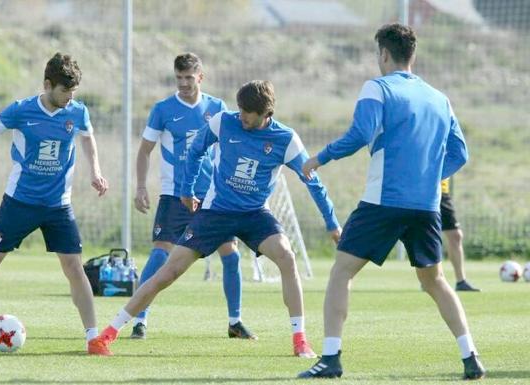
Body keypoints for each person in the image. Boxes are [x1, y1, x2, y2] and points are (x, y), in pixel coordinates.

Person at [94, 80, 341, 358]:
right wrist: (187, 190)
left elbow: (313, 182)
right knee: (168, 273)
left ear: (266, 113)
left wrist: (331, 223)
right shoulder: (224, 121)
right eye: (241, 110)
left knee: (286, 256)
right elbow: (195, 150)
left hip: (255, 214)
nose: (242, 117)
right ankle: (108, 334)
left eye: (248, 113)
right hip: (216, 212)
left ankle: (300, 341)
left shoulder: (286, 139)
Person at [298, 24, 485, 380]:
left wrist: (320, 157)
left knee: (341, 272)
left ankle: (330, 359)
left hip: (383, 202)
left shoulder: (378, 87)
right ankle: (471, 357)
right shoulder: (440, 98)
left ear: (383, 54)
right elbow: (461, 152)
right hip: (426, 206)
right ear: (412, 54)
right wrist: (429, 177)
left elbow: (360, 134)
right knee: (435, 281)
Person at [0, 52, 112, 356]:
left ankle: (93, 338)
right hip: (20, 202)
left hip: (58, 205)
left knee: (74, 268)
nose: (69, 97)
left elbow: (88, 138)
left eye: (74, 92)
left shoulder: (78, 112)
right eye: (64, 91)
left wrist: (95, 170)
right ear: (47, 85)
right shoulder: (22, 110)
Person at [132, 53, 255, 340]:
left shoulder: (217, 107)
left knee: (231, 255)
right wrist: (140, 186)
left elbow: (231, 147)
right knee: (160, 254)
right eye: (179, 78)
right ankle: (139, 319)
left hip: (213, 197)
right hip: (175, 195)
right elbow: (144, 151)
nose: (184, 83)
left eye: (189, 78)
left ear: (201, 77)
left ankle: (235, 322)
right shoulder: (163, 109)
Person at [440, 178, 480, 292]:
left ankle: (461, 282)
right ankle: (429, 278)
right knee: (428, 236)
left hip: (442, 192)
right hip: (426, 191)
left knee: (455, 235)